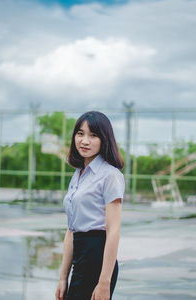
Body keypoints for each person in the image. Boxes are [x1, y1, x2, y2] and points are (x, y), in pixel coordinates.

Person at [55, 111, 125, 300]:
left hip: (97, 259)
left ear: (104, 139)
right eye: (80, 133)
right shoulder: (78, 174)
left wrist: (104, 282)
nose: (85, 141)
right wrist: (63, 278)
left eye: (93, 135)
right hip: (80, 255)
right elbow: (71, 230)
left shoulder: (110, 175)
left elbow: (113, 231)